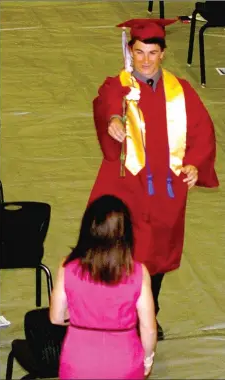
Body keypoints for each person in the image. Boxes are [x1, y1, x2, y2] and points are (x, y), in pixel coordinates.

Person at [88, 18, 219, 340]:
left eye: (152, 52)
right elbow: (108, 104)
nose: (145, 59)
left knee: (158, 256)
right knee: (123, 250)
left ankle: (150, 312)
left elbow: (202, 130)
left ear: (163, 53)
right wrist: (115, 119)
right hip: (127, 184)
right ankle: (118, 313)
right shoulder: (118, 85)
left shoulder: (181, 90)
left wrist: (194, 165)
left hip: (166, 187)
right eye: (139, 52)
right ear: (130, 52)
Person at [50, 195, 157, 379]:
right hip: (124, 361)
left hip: (79, 360)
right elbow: (148, 328)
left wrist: (81, 315)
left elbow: (56, 318)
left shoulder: (67, 267)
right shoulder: (139, 272)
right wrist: (148, 359)